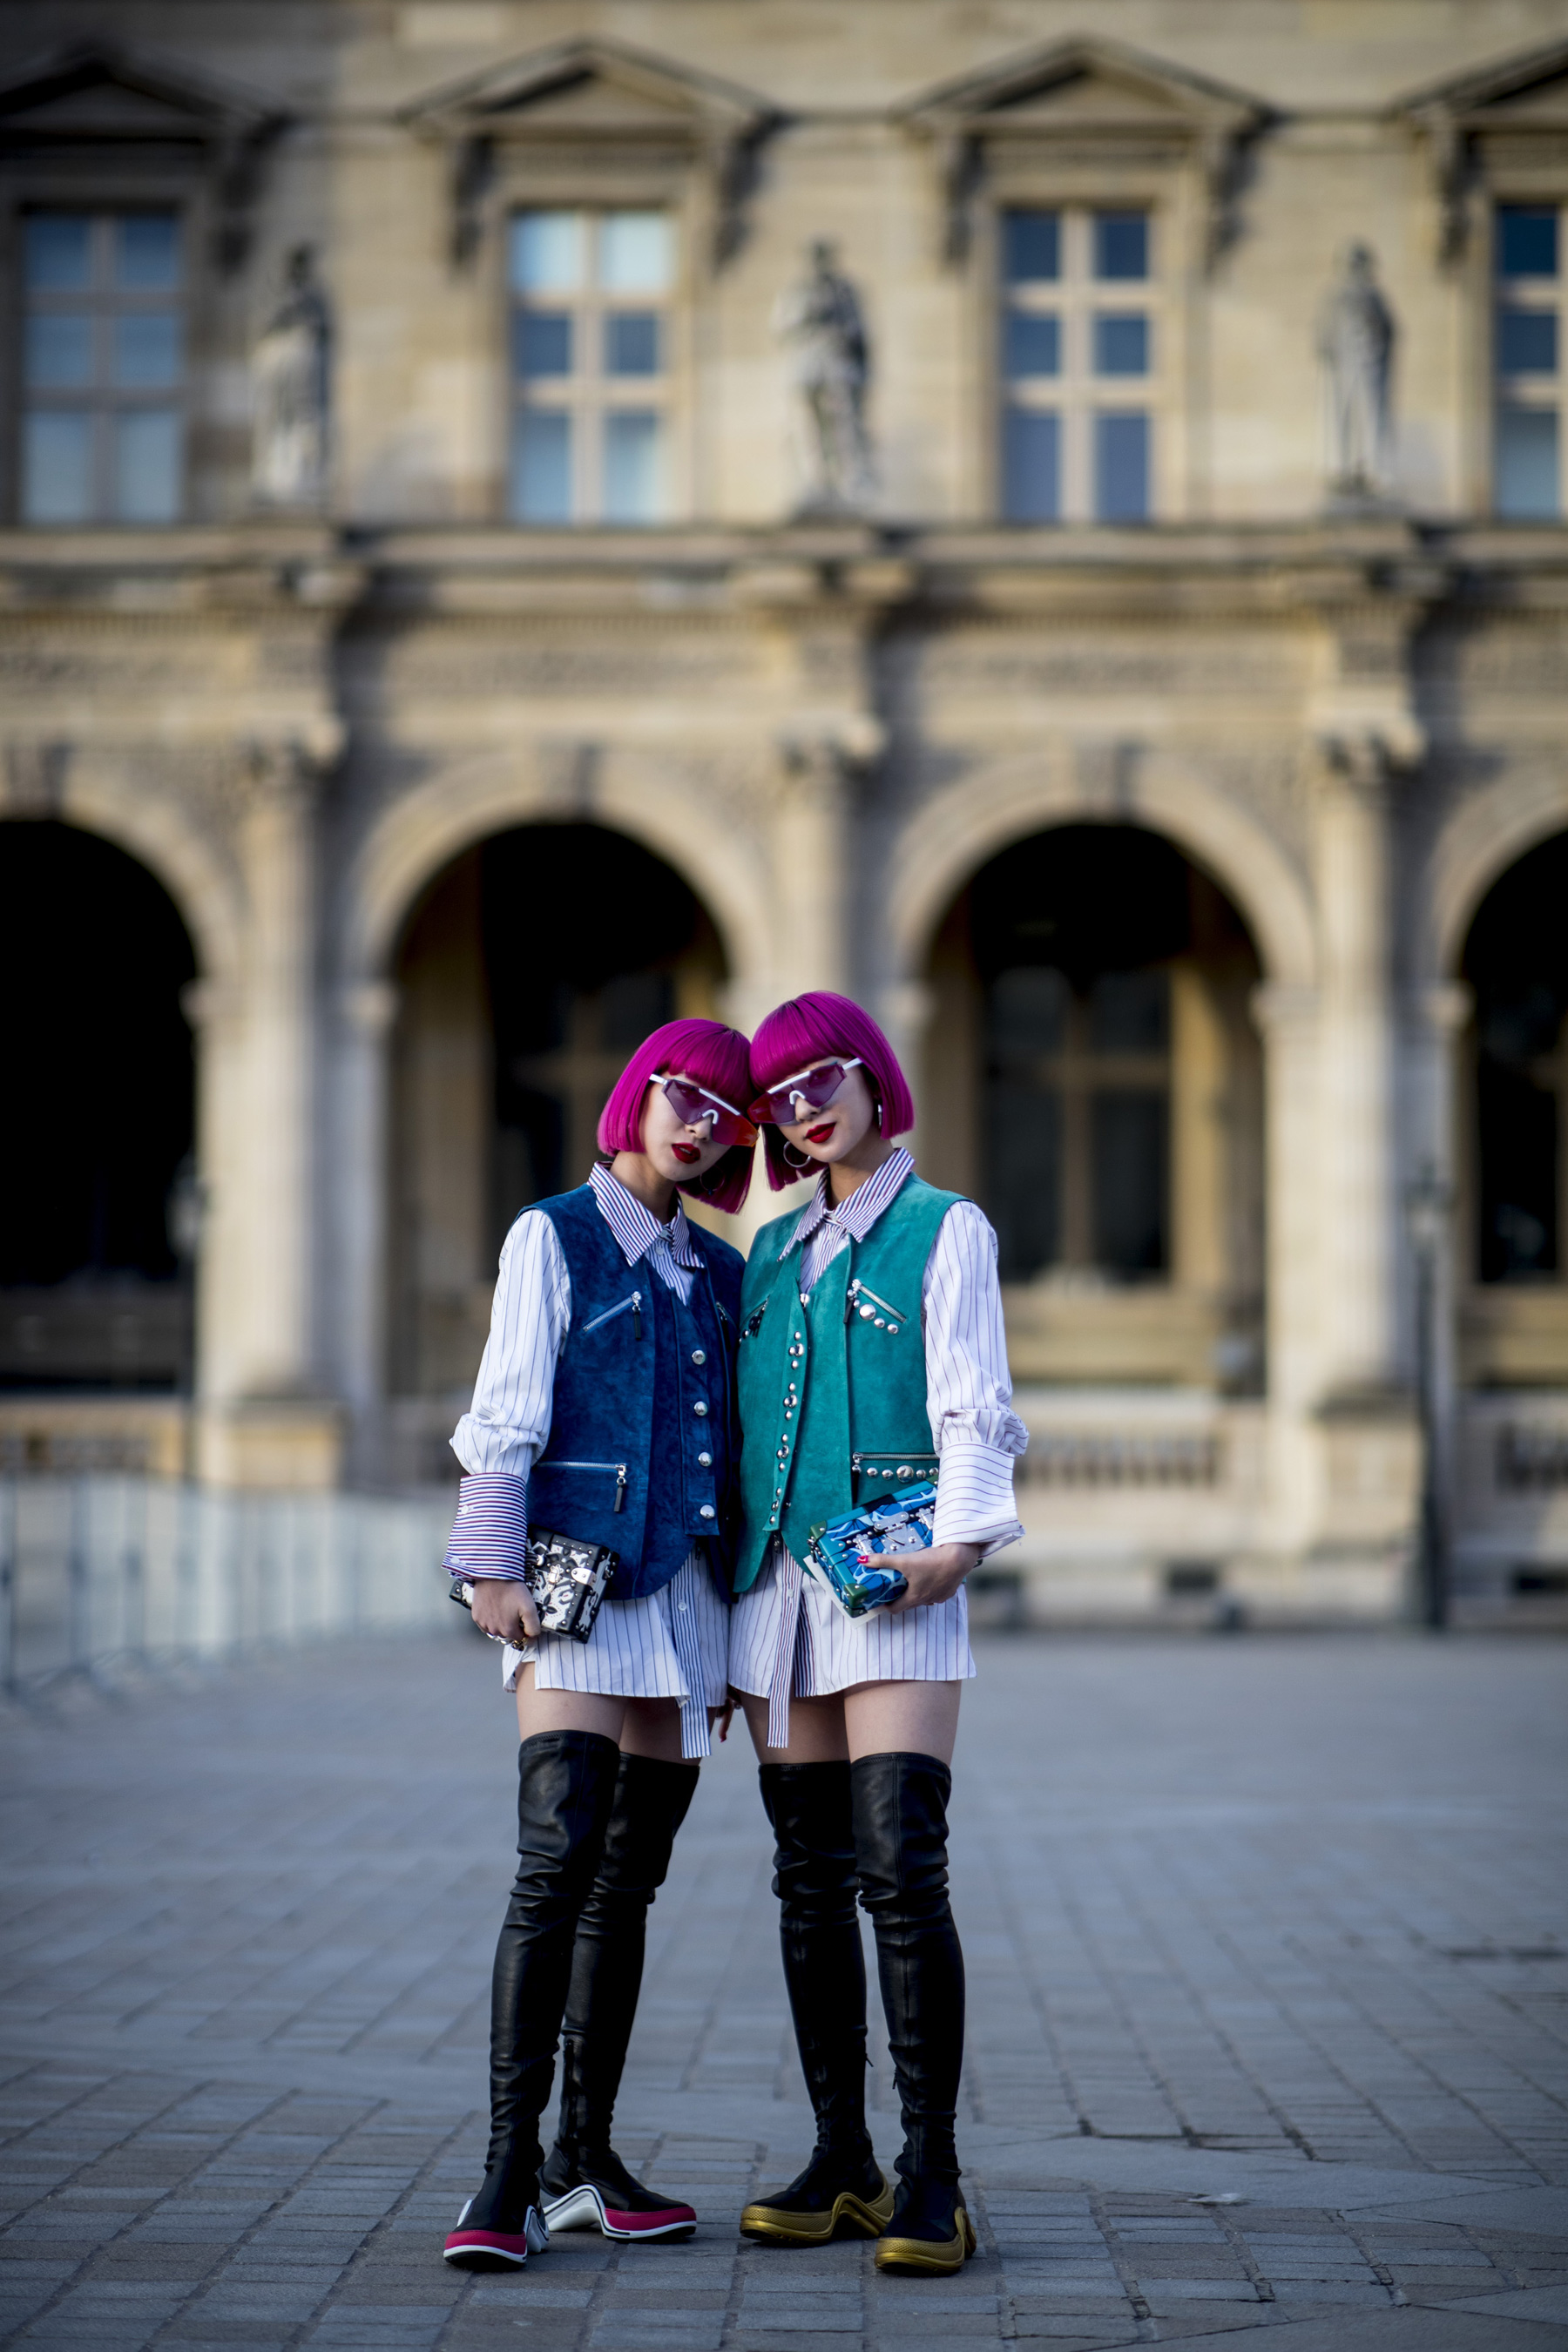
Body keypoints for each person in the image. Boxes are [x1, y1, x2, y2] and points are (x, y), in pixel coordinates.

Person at [440, 1018, 756, 2272]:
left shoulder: (721, 1272)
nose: (698, 1121)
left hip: (686, 1605)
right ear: (636, 1095)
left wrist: (738, 1632)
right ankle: (507, 2169)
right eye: (680, 1093)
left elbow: (730, 1447)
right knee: (554, 1864)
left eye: (724, 1113)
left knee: (630, 1885)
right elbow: (504, 1408)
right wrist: (488, 1567)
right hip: (570, 1589)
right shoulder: (552, 1235)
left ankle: (586, 2155)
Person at [727, 992, 1026, 2275]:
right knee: (807, 1881)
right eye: (781, 1092)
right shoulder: (770, 1248)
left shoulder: (943, 1228)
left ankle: (933, 2176)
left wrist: (954, 1553)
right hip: (776, 1592)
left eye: (823, 1078)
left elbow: (977, 1404)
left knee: (902, 1869)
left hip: (897, 1577)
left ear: (873, 1080)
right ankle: (841, 2157)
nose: (805, 1104)